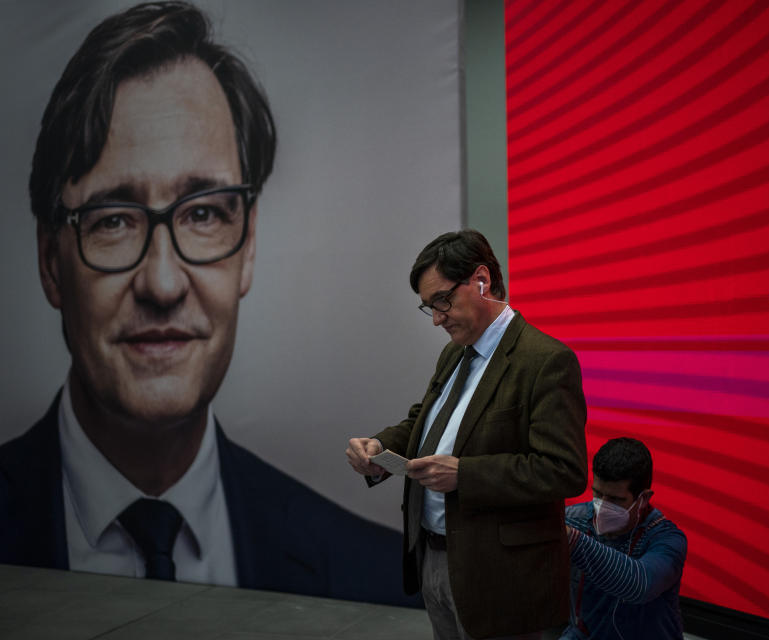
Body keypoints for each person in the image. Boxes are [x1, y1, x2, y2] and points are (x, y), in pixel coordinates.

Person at [0, 1, 415, 607]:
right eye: (112, 219)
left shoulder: (378, 583)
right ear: (49, 262)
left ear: (247, 248)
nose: (163, 284)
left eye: (203, 214)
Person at [346, 229, 589, 639]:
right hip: (436, 560)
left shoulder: (546, 360)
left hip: (504, 577)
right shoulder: (454, 353)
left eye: (443, 300)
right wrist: (380, 447)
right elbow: (424, 421)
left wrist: (465, 474)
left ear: (482, 280)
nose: (438, 318)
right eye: (429, 307)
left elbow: (564, 470)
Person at [562, 438, 687, 639]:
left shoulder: (667, 540)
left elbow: (640, 585)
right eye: (597, 494)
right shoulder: (573, 520)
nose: (602, 507)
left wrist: (573, 541)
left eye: (615, 500)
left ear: (644, 498)